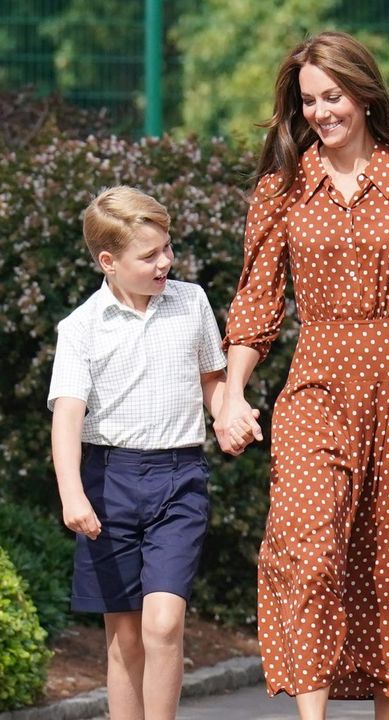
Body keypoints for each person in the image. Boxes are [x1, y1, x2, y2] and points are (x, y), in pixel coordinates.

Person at [214, 31, 389, 720]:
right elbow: (257, 301)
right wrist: (231, 392)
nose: (320, 112)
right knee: (307, 550)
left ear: (365, 94)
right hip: (314, 385)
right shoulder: (281, 189)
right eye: (308, 100)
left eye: (333, 96)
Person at [48, 186, 259, 720]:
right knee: (124, 639)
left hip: (178, 476)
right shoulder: (81, 328)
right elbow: (68, 415)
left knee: (163, 624)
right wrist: (73, 495)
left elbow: (212, 380)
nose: (165, 261)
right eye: (149, 255)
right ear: (109, 262)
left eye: (167, 248)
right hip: (107, 480)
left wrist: (227, 413)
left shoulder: (190, 303)